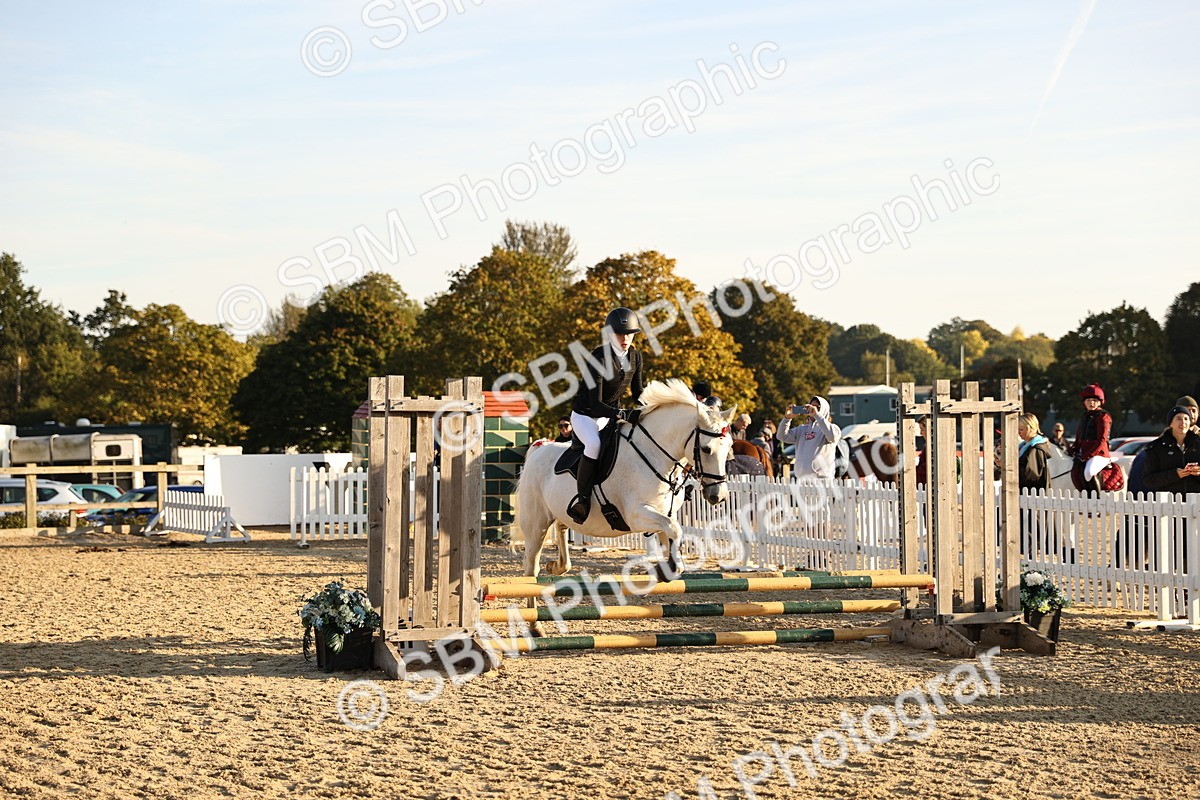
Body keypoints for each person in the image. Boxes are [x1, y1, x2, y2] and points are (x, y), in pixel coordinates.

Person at [567, 307, 645, 524]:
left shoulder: (636, 357)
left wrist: (652, 406)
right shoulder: (598, 357)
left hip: (609, 416)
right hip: (585, 416)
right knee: (594, 445)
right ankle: (582, 499)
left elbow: (639, 392)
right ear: (610, 334)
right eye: (620, 334)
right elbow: (596, 404)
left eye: (629, 334)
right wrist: (623, 413)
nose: (625, 338)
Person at [777, 395, 841, 479]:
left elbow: (832, 437)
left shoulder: (833, 428)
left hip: (822, 480)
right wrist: (787, 419)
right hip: (802, 479)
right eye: (811, 406)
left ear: (823, 409)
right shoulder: (801, 429)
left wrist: (818, 416)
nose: (813, 409)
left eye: (817, 407)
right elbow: (781, 436)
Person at [1071, 383, 1119, 493]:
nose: (1091, 403)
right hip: (1084, 454)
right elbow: (1079, 438)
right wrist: (1072, 450)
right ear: (1084, 402)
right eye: (1088, 400)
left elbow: (1102, 440)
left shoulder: (1103, 417)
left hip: (1099, 454)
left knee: (1089, 472)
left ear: (1099, 402)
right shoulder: (1084, 417)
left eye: (1094, 400)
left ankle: (1097, 501)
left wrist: (1089, 455)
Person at [1141, 405, 1200, 495]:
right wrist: (1174, 475)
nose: (1183, 422)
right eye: (1178, 418)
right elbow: (1148, 480)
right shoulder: (1156, 448)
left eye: (1186, 419)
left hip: (1195, 504)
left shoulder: (1198, 444)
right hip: (1168, 504)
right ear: (1170, 423)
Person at [1016, 412, 1053, 491]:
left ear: (1031, 428)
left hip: (1032, 494)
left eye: (1021, 429)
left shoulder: (1035, 449)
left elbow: (1031, 475)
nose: (1018, 432)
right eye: (1017, 429)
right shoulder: (1024, 446)